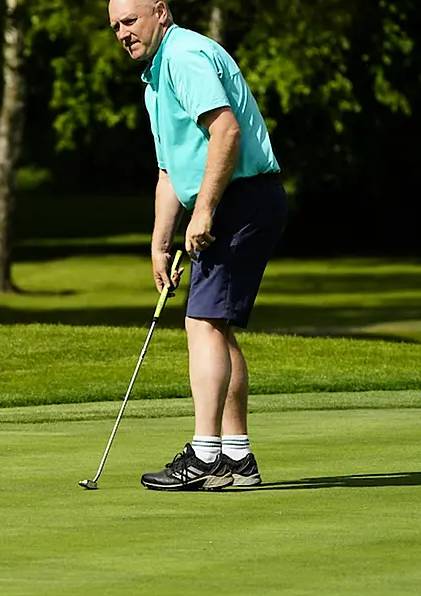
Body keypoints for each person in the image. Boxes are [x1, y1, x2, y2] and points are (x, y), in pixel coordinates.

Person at [107, 0, 289, 491]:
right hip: (234, 200)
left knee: (202, 321)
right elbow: (170, 169)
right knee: (217, 327)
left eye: (130, 20)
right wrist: (158, 241)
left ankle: (206, 456)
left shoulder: (184, 56)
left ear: (160, 12)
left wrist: (205, 210)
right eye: (116, 27)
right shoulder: (156, 77)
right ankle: (237, 458)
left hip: (243, 198)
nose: (123, 33)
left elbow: (225, 132)